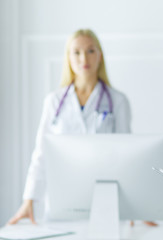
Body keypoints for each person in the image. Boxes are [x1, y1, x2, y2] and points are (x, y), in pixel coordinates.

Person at [8, 29, 155, 226]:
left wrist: (135, 208)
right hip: (62, 199)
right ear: (68, 57)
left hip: (105, 200)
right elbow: (41, 154)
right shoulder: (54, 101)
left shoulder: (118, 101)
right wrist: (29, 201)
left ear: (100, 56)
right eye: (76, 52)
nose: (83, 57)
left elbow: (125, 158)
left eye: (90, 51)